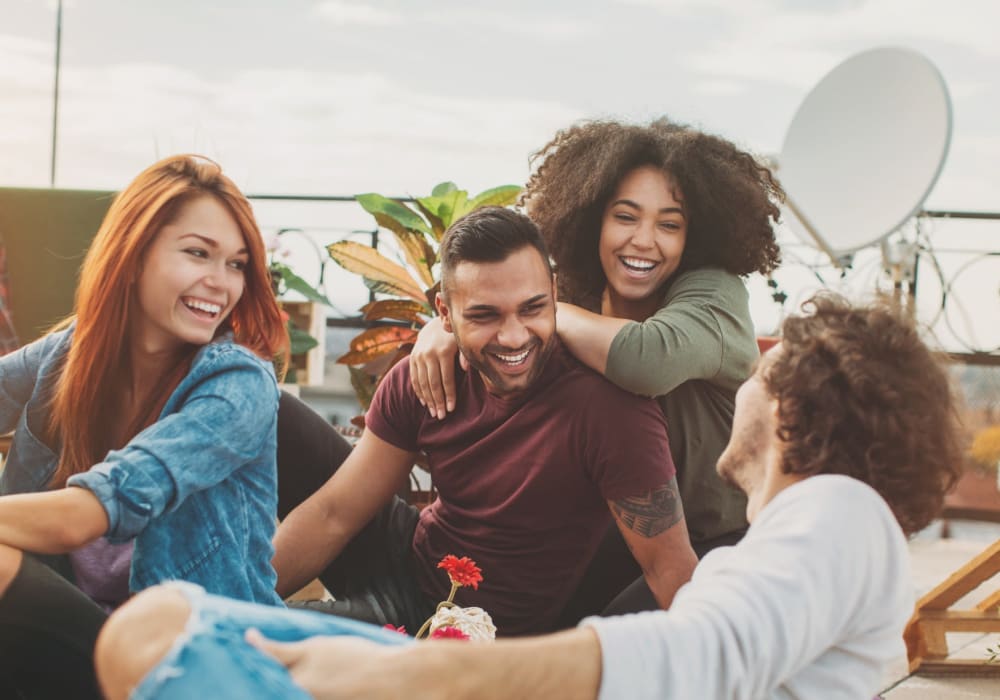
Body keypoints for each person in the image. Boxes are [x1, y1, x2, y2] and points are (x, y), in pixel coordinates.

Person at [95, 293, 962, 700]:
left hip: (462, 661)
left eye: (764, 363)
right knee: (156, 627)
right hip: (442, 628)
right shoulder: (797, 539)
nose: (745, 375)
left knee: (159, 645)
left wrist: (430, 675)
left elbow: (702, 656)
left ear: (795, 401)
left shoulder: (838, 510)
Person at [408, 118, 783, 620]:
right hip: (611, 539)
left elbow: (645, 360)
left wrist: (508, 317)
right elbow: (496, 312)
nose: (644, 240)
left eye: (669, 224)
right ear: (593, 219)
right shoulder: (579, 291)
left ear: (694, 235)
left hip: (719, 542)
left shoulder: (715, 296)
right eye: (625, 217)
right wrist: (445, 327)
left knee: (603, 652)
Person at [0, 154, 288, 699]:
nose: (220, 283)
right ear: (132, 256)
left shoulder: (238, 385)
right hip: (85, 638)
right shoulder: (71, 353)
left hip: (194, 656)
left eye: (237, 264)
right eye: (198, 253)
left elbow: (84, 516)